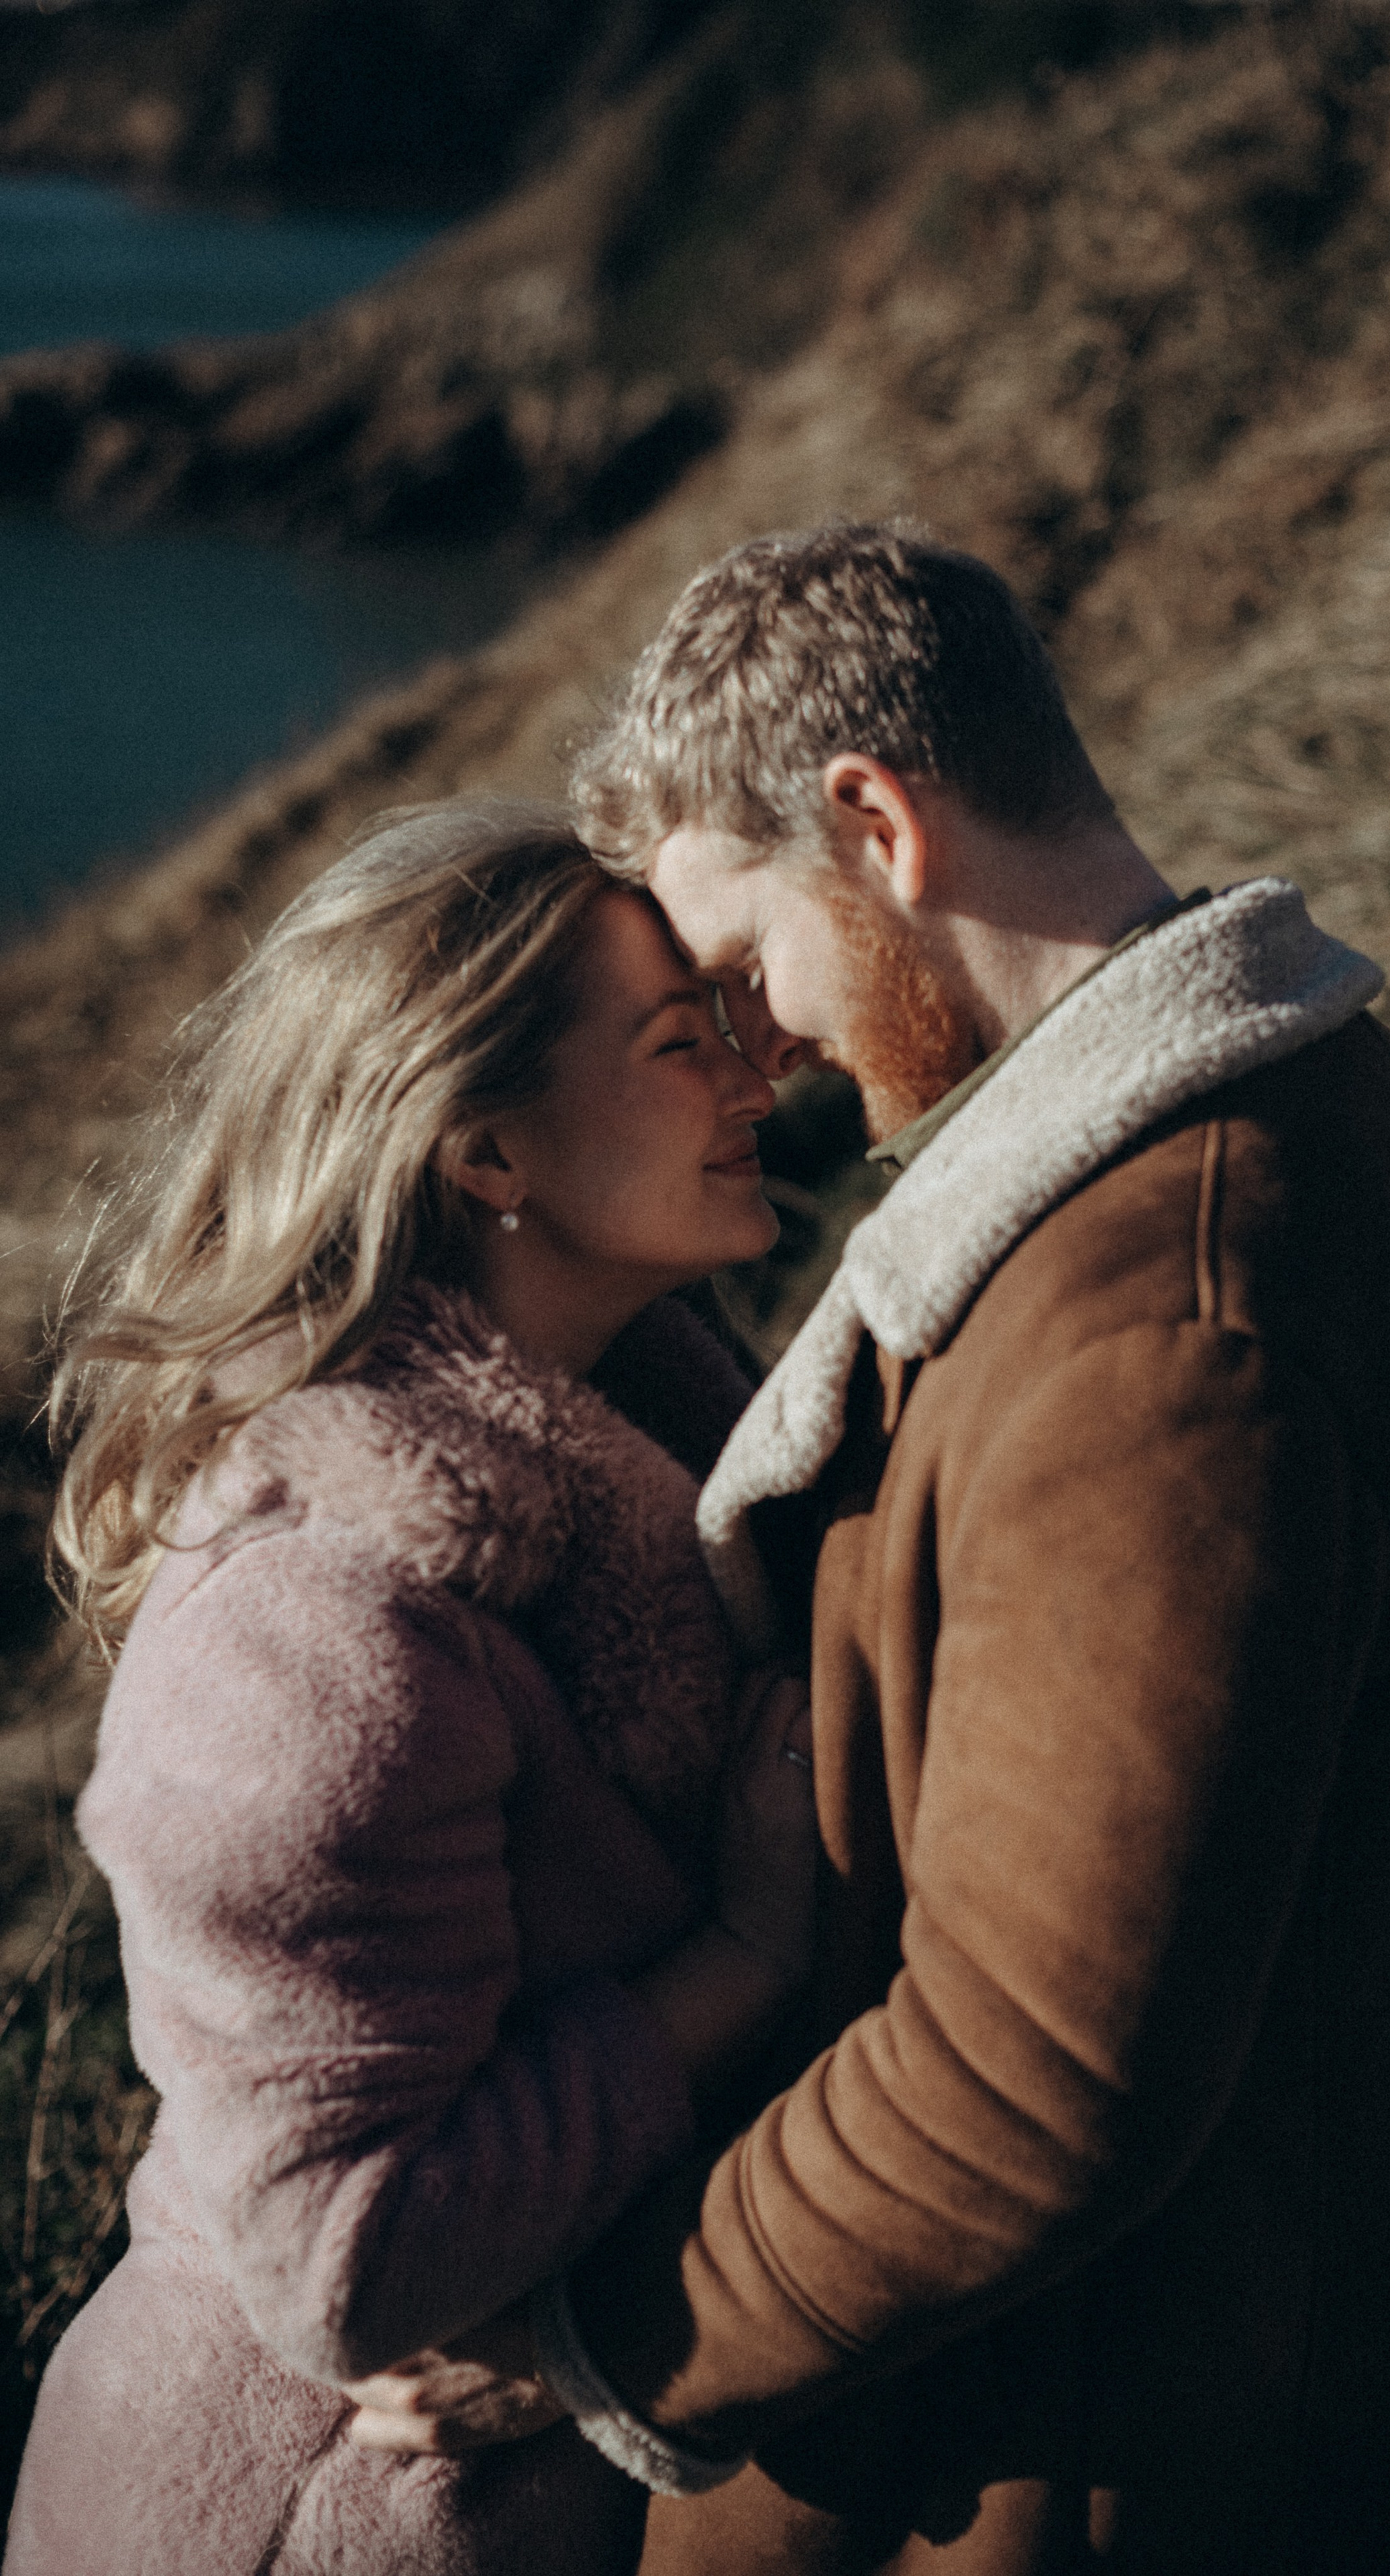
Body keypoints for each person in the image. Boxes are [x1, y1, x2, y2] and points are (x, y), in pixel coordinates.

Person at [341, 523, 1390, 2575]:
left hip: (1069, 2468)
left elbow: (1028, 2072)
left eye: (739, 970)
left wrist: (603, 2337)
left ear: (875, 823)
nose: (759, 1050)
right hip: (1192, 2388)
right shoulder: (1347, 1108)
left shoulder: (1167, 1324)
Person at [5, 800, 820, 2576]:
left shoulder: (669, 1442)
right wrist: (747, 1961)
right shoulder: (322, 1628)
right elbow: (341, 2268)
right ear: (488, 1156)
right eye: (682, 1043)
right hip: (298, 2515)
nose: (758, 1071)